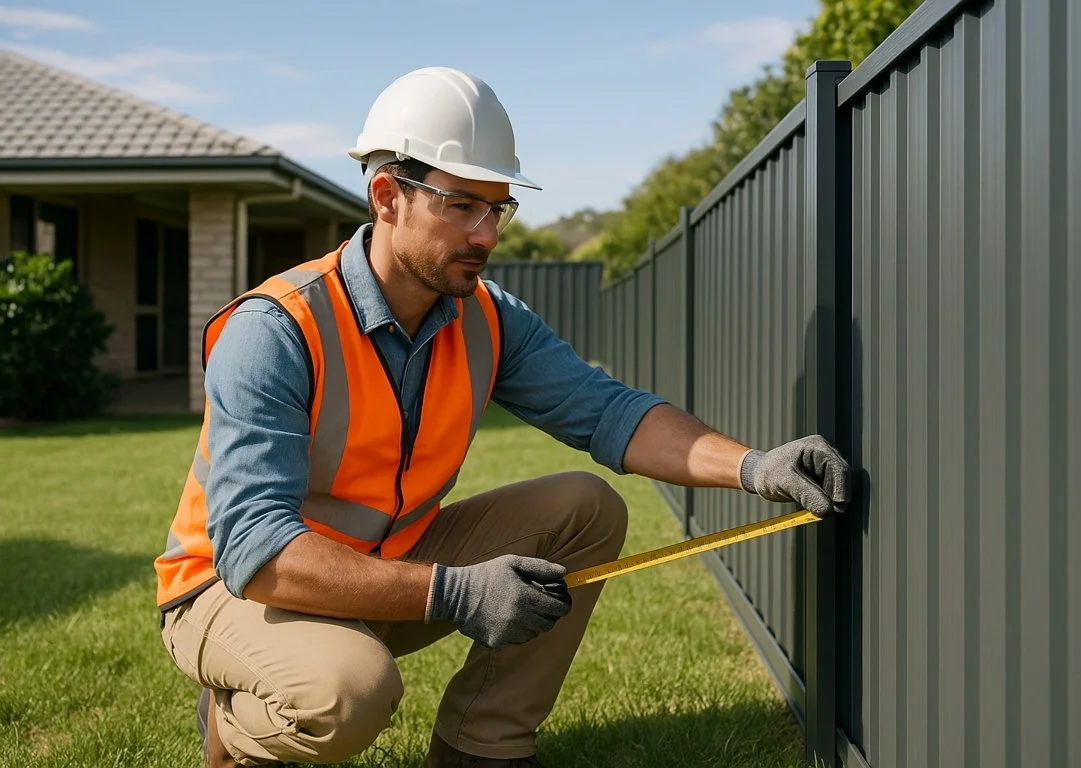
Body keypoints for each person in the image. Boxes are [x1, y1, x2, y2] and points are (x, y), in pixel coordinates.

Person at [154, 66, 851, 768]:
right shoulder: (277, 328)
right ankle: (231, 722)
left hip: (381, 562)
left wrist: (755, 466)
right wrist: (453, 592)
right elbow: (257, 552)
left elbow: (610, 413)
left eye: (498, 208)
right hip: (233, 589)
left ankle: (480, 748)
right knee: (346, 693)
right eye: (461, 206)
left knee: (584, 508)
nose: (486, 234)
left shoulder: (485, 317)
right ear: (387, 196)